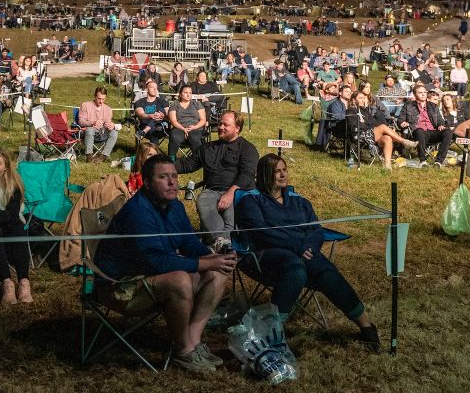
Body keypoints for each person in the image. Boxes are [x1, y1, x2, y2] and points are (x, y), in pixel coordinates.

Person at [92, 155, 235, 374]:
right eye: (163, 177)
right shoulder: (139, 212)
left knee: (218, 271)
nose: (172, 182)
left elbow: (187, 241)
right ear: (147, 183)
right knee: (180, 280)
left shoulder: (174, 205)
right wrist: (203, 263)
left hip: (148, 275)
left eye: (174, 176)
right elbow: (156, 261)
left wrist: (212, 255)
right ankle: (183, 351)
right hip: (119, 286)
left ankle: (193, 342)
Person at [234, 154, 380, 351]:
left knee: (326, 272)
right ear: (265, 174)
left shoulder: (299, 201)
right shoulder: (251, 200)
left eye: (284, 170)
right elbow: (262, 234)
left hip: (302, 252)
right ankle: (272, 333)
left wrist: (309, 247)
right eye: (277, 171)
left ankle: (367, 327)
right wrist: (297, 247)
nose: (283, 174)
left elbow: (315, 229)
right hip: (265, 255)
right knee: (295, 269)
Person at [176, 110, 258, 249]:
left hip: (239, 192)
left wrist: (230, 193)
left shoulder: (247, 148)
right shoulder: (208, 148)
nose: (220, 127)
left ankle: (220, 244)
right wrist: (162, 165)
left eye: (226, 125)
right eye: (220, 123)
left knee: (231, 213)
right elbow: (187, 165)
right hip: (212, 191)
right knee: (204, 201)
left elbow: (247, 174)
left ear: (237, 128)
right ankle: (224, 243)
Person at [0, 146, 32, 305]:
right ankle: (7, 283)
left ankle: (24, 282)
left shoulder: (13, 185)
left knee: (17, 229)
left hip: (10, 222)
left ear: (6, 166)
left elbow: (12, 214)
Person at [347, 89, 416, 169]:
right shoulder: (350, 111)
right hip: (360, 135)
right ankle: (403, 142)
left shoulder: (364, 111)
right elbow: (355, 126)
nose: (363, 100)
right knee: (383, 127)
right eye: (360, 98)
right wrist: (378, 128)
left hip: (371, 133)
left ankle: (387, 165)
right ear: (354, 100)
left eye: (363, 98)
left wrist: (387, 130)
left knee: (387, 138)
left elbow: (374, 123)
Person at [398, 83, 453, 167]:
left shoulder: (433, 106)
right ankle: (423, 161)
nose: (423, 94)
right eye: (420, 93)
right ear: (415, 94)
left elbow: (440, 119)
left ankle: (438, 161)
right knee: (420, 131)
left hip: (432, 131)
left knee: (448, 132)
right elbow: (400, 119)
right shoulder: (408, 105)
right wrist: (402, 123)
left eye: (424, 92)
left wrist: (441, 125)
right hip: (417, 132)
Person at [78, 86, 120, 162]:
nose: (101, 101)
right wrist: (93, 122)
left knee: (114, 132)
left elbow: (107, 123)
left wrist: (111, 125)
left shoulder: (108, 109)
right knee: (90, 130)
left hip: (102, 132)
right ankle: (89, 156)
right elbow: (81, 122)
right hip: (87, 132)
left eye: (103, 99)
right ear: (95, 96)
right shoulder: (85, 105)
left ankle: (103, 156)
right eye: (99, 98)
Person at [168, 84, 208, 156]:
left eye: (190, 93)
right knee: (175, 138)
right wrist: (183, 129)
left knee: (194, 138)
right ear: (180, 94)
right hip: (179, 127)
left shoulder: (197, 104)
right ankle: (171, 160)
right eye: (185, 92)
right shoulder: (174, 105)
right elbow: (173, 121)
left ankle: (197, 160)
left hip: (195, 128)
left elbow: (203, 120)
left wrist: (194, 127)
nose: (188, 95)